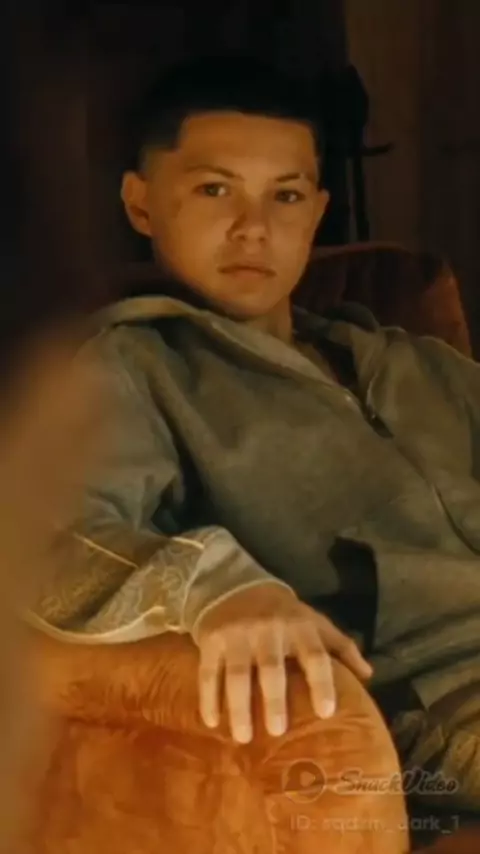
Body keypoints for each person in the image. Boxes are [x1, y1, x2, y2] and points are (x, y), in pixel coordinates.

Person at [30, 54, 480, 814]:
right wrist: (213, 586)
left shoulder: (416, 363)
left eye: (286, 195)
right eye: (215, 189)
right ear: (141, 203)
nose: (254, 228)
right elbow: (49, 536)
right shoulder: (132, 369)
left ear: (317, 211)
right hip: (438, 706)